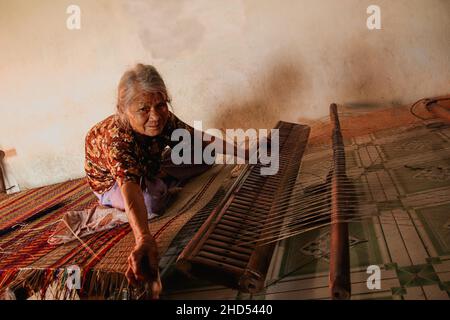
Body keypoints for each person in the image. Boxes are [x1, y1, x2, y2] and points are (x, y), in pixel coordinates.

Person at [84, 64, 249, 298]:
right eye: (143, 109)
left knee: (206, 155)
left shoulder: (163, 117)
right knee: (150, 203)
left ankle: (158, 178)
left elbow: (199, 138)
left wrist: (246, 153)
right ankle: (158, 182)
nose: (155, 116)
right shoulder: (117, 142)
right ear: (123, 109)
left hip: (148, 165)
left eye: (160, 105)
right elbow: (130, 193)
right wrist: (143, 238)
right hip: (111, 183)